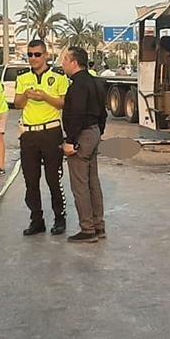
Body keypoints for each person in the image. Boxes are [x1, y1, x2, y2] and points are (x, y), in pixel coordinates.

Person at [14, 40, 70, 236]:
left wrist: (45, 97)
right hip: (29, 133)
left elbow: (63, 103)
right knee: (31, 180)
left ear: (46, 55)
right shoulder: (23, 78)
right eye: (29, 54)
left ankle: (59, 218)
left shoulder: (58, 77)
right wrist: (26, 96)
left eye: (37, 54)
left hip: (51, 132)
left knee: (53, 178)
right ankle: (36, 219)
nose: (33, 58)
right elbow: (17, 104)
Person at [61, 47, 108, 243]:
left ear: (73, 62)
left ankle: (87, 229)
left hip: (82, 135)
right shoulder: (95, 82)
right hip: (94, 132)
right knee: (92, 182)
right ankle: (98, 226)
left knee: (80, 184)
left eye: (64, 60)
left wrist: (71, 141)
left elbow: (77, 113)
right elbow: (103, 113)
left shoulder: (78, 85)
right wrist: (98, 132)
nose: (62, 64)